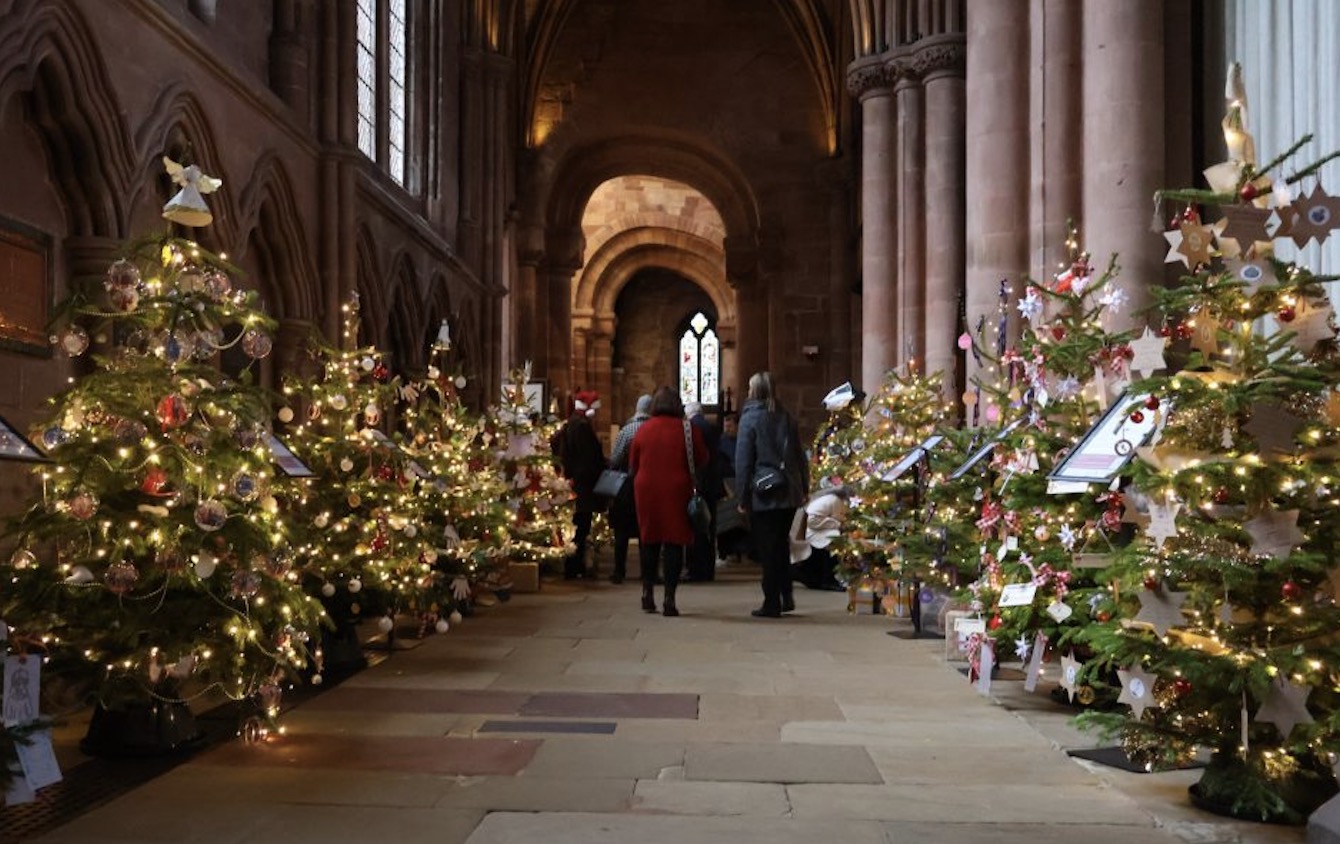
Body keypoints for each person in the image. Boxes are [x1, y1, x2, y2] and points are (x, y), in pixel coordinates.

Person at [735, 371, 809, 617]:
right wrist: (804, 487)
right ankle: (786, 595)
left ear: (754, 391)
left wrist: (742, 497)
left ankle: (771, 602)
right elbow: (799, 455)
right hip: (788, 490)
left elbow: (743, 461)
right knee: (780, 546)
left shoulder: (750, 418)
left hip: (763, 493)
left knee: (768, 549)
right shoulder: (785, 416)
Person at [629, 387, 707, 617]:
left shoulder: (644, 429)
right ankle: (669, 599)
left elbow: (633, 462)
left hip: (646, 489)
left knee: (649, 541)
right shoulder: (687, 429)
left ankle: (647, 593)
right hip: (676, 489)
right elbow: (703, 458)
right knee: (674, 542)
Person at [549, 389, 607, 580]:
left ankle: (576, 564)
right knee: (580, 527)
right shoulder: (581, 426)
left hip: (578, 482)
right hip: (582, 485)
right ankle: (574, 566)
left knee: (580, 526)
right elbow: (587, 457)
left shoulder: (573, 423)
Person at [607, 393, 653, 584]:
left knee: (622, 532)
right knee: (645, 531)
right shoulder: (653, 430)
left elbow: (615, 459)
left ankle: (619, 571)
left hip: (626, 486)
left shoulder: (626, 431)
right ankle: (647, 571)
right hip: (649, 485)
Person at [683, 400, 723, 581]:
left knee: (696, 526)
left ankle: (696, 569)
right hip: (713, 483)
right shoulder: (712, 428)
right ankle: (709, 568)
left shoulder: (691, 428)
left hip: (699, 484)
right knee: (710, 526)